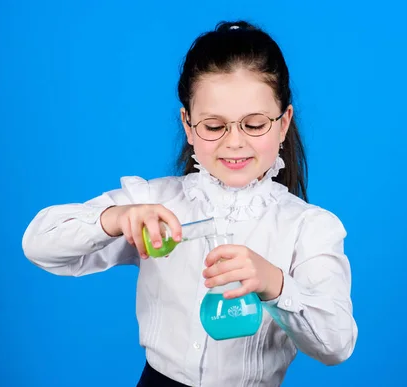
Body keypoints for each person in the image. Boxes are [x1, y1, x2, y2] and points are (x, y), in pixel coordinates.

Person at [22, 20, 358, 387]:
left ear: (283, 123)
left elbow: (336, 344)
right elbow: (39, 244)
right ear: (188, 123)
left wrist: (275, 283)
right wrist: (115, 218)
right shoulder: (154, 202)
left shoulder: (309, 227)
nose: (234, 142)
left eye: (255, 124)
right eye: (214, 126)